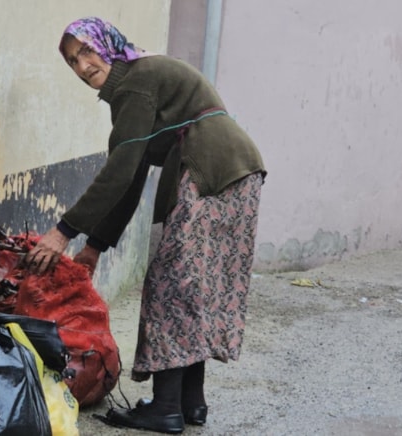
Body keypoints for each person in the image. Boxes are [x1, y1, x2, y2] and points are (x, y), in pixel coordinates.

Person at [24, 16, 266, 434]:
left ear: (108, 44)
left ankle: (166, 408)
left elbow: (119, 171)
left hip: (208, 170)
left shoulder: (137, 80)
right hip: (233, 170)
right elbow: (132, 178)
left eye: (87, 51)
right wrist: (94, 246)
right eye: (72, 62)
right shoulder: (136, 83)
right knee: (193, 286)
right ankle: (191, 402)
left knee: (172, 286)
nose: (83, 67)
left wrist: (63, 232)